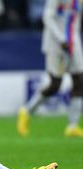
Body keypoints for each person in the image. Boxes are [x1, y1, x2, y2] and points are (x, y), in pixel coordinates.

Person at [17, 0, 83, 137]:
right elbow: (47, 17)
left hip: (73, 41)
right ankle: (27, 110)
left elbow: (75, 19)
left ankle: (72, 126)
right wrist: (61, 38)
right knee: (55, 84)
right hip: (55, 43)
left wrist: (73, 40)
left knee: (79, 80)